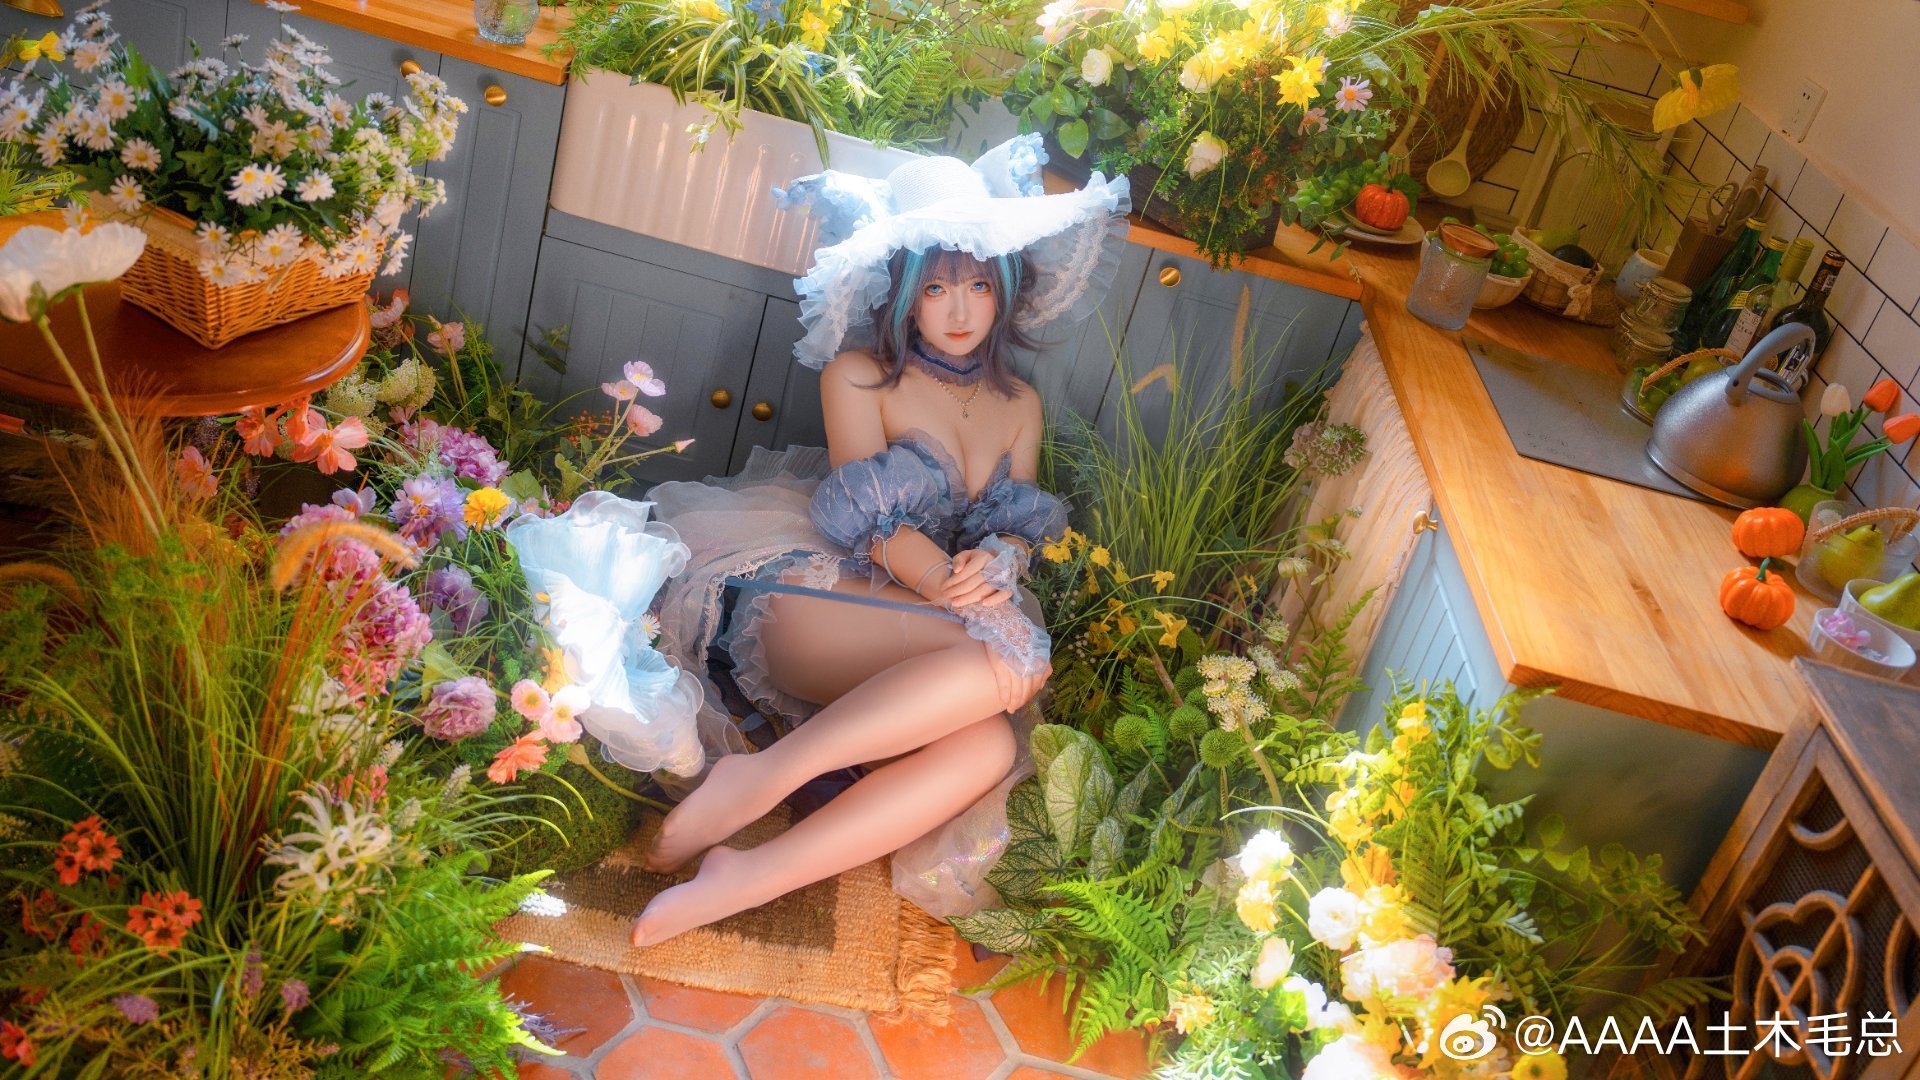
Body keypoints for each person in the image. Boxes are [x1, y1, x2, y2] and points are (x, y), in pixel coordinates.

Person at [512, 135, 1130, 946]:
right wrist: (949, 583)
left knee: (985, 746)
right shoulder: (859, 376)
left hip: (931, 632)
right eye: (937, 287)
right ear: (904, 291)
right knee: (1007, 659)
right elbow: (861, 522)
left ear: (1005, 289)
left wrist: (998, 561)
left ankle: (752, 873)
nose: (960, 311)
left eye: (979, 285)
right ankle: (766, 777)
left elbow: (1016, 527)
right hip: (826, 594)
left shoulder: (1019, 404)